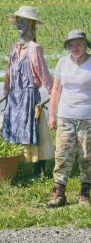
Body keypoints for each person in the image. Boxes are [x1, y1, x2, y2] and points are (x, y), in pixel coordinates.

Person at [1, 6, 53, 177]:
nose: (19, 25)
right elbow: (9, 70)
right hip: (15, 95)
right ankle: (16, 166)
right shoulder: (15, 47)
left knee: (33, 131)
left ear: (31, 24)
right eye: (18, 22)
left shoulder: (34, 48)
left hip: (29, 95)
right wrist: (6, 90)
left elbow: (44, 74)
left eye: (22, 21)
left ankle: (38, 168)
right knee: (14, 129)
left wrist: (53, 92)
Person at [46, 30, 91, 208]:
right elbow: (56, 90)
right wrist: (52, 115)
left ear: (85, 44)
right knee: (62, 154)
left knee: (87, 155)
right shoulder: (62, 63)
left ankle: (85, 193)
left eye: (78, 44)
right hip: (65, 117)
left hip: (88, 118)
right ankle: (59, 193)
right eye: (71, 45)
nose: (75, 48)